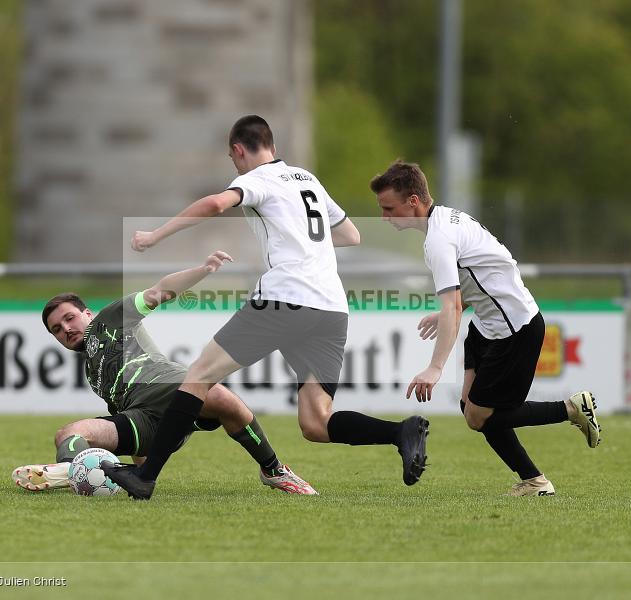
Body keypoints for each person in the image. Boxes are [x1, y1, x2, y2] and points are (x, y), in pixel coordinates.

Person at [103, 115, 430, 500]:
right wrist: (303, 244)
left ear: (239, 150)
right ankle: (400, 431)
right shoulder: (307, 179)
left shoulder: (257, 179)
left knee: (198, 376)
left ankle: (146, 477)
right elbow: (351, 234)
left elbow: (215, 203)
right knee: (316, 421)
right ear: (271, 145)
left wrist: (155, 235)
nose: (235, 165)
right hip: (331, 307)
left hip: (285, 298)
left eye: (232, 158)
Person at [370, 160, 601, 496]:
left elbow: (453, 304)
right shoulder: (447, 218)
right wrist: (453, 309)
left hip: (515, 329)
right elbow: (486, 273)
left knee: (481, 416)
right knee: (471, 409)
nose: (384, 217)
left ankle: (571, 409)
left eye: (389, 208)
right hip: (486, 324)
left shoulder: (439, 239)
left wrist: (435, 367)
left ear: (413, 202)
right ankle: (534, 481)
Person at [11, 250, 317, 495]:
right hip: (143, 419)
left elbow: (160, 292)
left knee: (221, 398)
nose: (65, 329)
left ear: (87, 313)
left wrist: (203, 270)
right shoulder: (93, 371)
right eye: (57, 329)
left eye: (69, 318)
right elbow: (133, 433)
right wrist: (141, 471)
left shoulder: (110, 319)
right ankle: (72, 470)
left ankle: (273, 470)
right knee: (68, 433)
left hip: (171, 388)